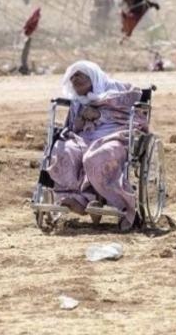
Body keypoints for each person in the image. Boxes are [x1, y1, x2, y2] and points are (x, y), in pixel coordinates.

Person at [47, 61, 147, 231]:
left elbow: (137, 118)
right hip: (84, 138)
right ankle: (79, 199)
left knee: (95, 157)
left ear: (93, 76)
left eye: (79, 75)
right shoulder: (78, 101)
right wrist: (80, 121)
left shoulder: (118, 91)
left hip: (114, 136)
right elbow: (72, 126)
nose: (75, 79)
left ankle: (119, 204)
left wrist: (100, 115)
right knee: (65, 151)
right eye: (72, 77)